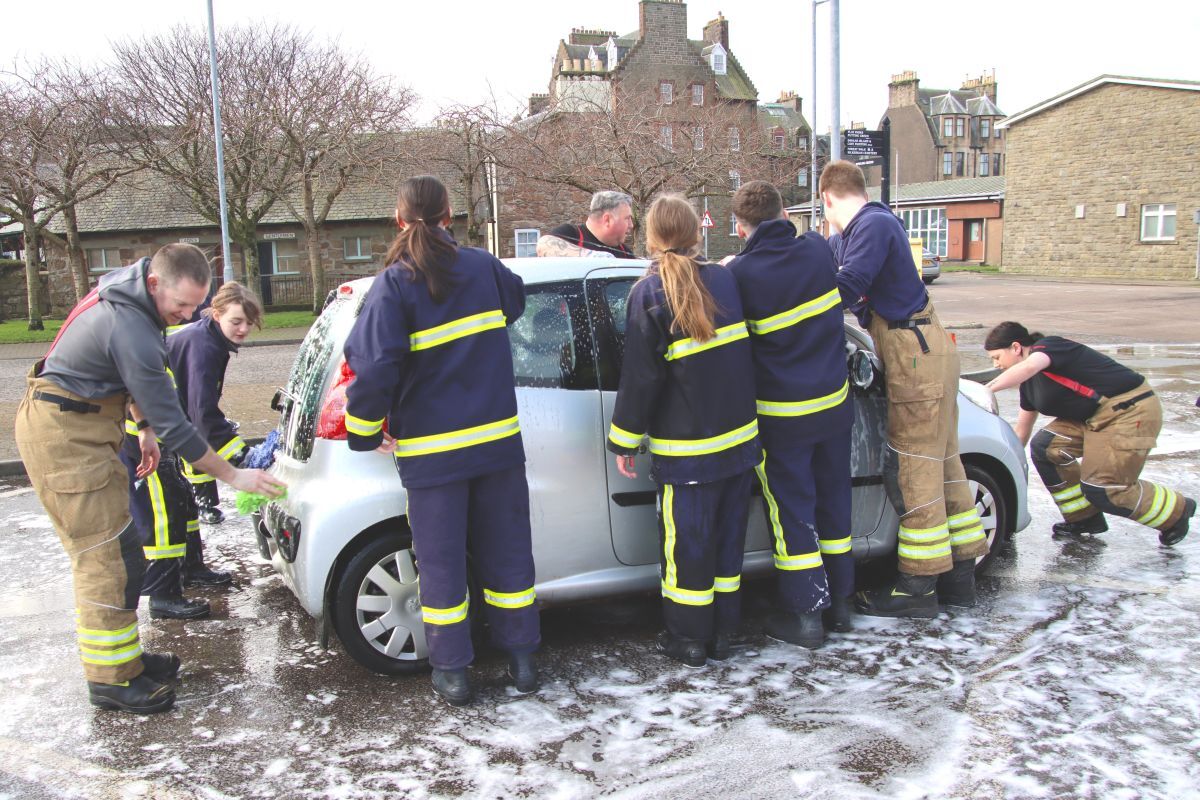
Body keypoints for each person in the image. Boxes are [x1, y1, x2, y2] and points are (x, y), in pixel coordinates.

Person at [14, 244, 285, 714]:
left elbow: (127, 381)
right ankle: (112, 682)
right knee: (106, 561)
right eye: (179, 306)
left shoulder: (134, 294)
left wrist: (142, 428)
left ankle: (127, 661)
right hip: (66, 435)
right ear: (156, 283)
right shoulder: (132, 324)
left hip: (86, 424)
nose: (185, 316)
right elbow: (181, 424)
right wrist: (233, 475)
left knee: (121, 555)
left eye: (194, 307)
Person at [343, 175, 539, 706]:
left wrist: (362, 433)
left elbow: (373, 366)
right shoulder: (481, 267)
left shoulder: (393, 284)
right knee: (508, 554)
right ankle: (522, 662)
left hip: (433, 456)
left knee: (441, 562)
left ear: (399, 220)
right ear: (451, 216)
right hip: (497, 446)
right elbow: (516, 304)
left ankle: (453, 672)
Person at [820, 160, 987, 619]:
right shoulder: (865, 229)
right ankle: (959, 577)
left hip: (913, 354)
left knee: (913, 469)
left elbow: (845, 284)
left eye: (825, 210)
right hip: (921, 349)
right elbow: (827, 253)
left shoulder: (872, 226)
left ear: (828, 198)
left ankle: (917, 586)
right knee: (944, 465)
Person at [606, 193, 761, 668]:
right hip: (738, 447)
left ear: (652, 237)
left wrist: (623, 439)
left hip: (687, 456)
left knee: (686, 551)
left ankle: (689, 640)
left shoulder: (647, 294)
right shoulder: (726, 281)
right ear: (697, 233)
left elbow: (641, 378)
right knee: (727, 547)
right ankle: (725, 633)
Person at [725, 181, 854, 648]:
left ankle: (805, 618)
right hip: (833, 408)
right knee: (835, 503)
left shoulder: (741, 274)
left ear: (740, 228)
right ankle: (841, 605)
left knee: (793, 513)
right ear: (784, 213)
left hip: (781, 421)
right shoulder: (819, 251)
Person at [984, 322, 1195, 545]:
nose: (996, 364)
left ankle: (1178, 511)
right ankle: (1084, 518)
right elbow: (1022, 431)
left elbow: (1028, 367)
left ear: (1016, 347)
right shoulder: (1028, 385)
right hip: (1092, 418)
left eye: (997, 357)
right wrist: (1005, 468)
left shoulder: (1049, 347)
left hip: (1130, 412)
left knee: (1104, 488)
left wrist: (984, 390)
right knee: (1045, 447)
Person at [167, 282, 263, 575]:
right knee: (170, 510)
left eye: (249, 322)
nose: (243, 329)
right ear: (216, 313)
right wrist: (241, 457)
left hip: (171, 424)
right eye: (236, 321)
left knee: (184, 504)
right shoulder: (205, 347)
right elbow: (203, 415)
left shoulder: (212, 339)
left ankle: (192, 569)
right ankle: (169, 589)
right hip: (150, 429)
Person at [548, 190, 638, 258]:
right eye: (627, 218)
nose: (631, 225)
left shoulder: (625, 253)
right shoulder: (571, 234)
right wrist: (593, 257)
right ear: (607, 220)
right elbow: (544, 245)